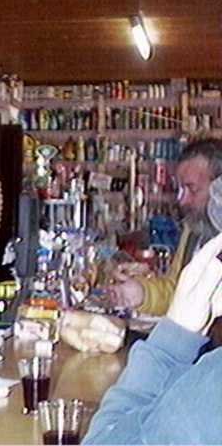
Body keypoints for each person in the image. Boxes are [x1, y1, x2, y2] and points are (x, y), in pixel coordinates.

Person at [83, 232, 222, 444]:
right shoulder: (191, 229)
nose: (184, 198)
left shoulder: (211, 389)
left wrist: (172, 340)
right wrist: (145, 292)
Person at [109, 138, 222, 315]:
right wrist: (141, 293)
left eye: (192, 189)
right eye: (180, 190)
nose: (182, 200)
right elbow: (176, 291)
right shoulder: (193, 229)